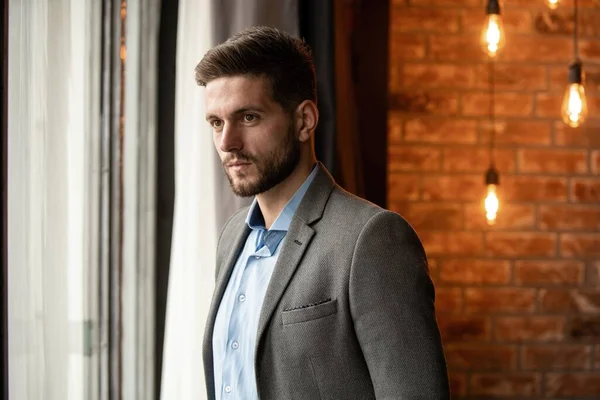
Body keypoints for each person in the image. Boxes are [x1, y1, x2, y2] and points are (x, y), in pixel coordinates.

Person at [196, 25, 450, 399]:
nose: (227, 142)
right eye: (216, 123)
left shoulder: (372, 239)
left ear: (304, 121)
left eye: (248, 117)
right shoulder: (233, 236)